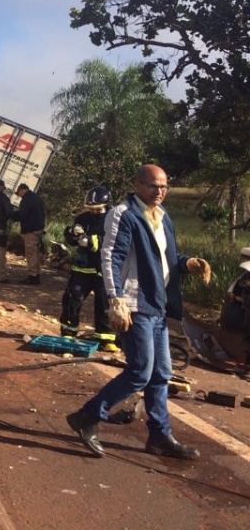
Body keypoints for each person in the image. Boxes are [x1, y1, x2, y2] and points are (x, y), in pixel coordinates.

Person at [66, 164, 212, 460]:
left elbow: (164, 258)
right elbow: (110, 258)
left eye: (164, 187)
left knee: (161, 374)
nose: (159, 192)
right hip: (134, 305)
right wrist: (115, 299)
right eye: (153, 186)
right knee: (140, 371)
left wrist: (187, 263)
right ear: (137, 185)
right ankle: (87, 416)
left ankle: (160, 435)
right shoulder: (123, 214)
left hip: (157, 304)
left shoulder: (162, 216)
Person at [59, 186, 120, 353]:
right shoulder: (82, 218)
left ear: (107, 205)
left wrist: (93, 241)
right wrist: (73, 234)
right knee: (72, 299)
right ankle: (68, 332)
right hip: (82, 268)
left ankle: (106, 338)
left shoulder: (115, 219)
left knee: (104, 305)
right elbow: (72, 240)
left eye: (97, 209)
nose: (93, 212)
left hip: (104, 269)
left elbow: (116, 240)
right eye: (90, 209)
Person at [15, 183, 45, 284]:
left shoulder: (27, 199)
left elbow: (23, 214)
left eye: (18, 193)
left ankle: (32, 276)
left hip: (31, 230)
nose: (19, 196)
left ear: (22, 190)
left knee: (30, 253)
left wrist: (11, 215)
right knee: (35, 253)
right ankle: (36, 274)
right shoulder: (36, 198)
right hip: (38, 229)